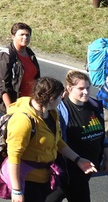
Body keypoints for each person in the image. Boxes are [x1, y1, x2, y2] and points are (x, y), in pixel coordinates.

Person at [2, 77, 97, 202]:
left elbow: (57, 141)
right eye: (60, 95)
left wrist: (78, 159)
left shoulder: (52, 113)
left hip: (45, 178)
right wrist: (17, 190)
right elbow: (14, 156)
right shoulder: (23, 120)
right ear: (51, 98)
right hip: (28, 181)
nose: (62, 97)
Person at [46, 71, 108, 202]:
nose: (85, 92)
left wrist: (106, 155)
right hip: (70, 169)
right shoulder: (61, 110)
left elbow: (102, 133)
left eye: (87, 88)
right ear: (69, 89)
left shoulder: (95, 106)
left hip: (87, 168)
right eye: (81, 88)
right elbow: (56, 140)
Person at [0, 23, 41, 117]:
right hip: (12, 105)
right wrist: (10, 108)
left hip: (28, 104)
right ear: (13, 36)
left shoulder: (30, 54)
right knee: (5, 131)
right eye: (21, 34)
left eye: (27, 35)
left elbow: (36, 79)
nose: (25, 37)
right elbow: (2, 84)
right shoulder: (6, 56)